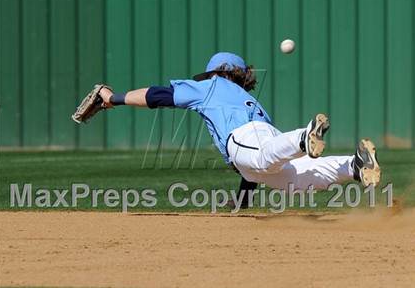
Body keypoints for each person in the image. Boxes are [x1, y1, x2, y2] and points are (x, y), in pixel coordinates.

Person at [98, 52, 381, 208]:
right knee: (297, 180)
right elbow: (251, 165)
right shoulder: (252, 102)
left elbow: (156, 95)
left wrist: (115, 98)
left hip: (247, 139)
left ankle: (302, 137)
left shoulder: (211, 86)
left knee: (261, 158)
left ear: (217, 73)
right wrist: (242, 201)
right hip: (259, 144)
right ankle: (353, 166)